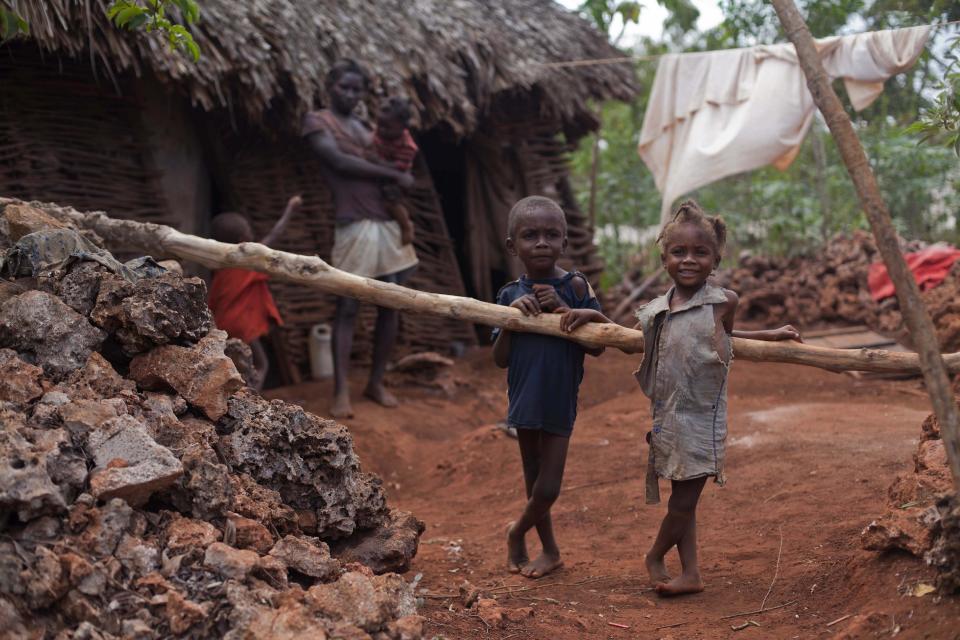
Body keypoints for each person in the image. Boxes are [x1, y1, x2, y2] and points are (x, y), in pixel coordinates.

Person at [634, 200, 801, 596]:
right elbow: (629, 341)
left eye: (700, 252)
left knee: (682, 503)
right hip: (667, 417)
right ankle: (691, 574)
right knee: (683, 501)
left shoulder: (725, 300)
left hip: (702, 420)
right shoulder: (658, 310)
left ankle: (655, 555)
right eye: (679, 252)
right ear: (664, 258)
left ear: (716, 258)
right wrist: (592, 318)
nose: (689, 259)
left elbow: (726, 339)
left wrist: (770, 334)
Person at [492, 195, 608, 579]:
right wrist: (513, 319)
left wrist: (563, 307)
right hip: (524, 397)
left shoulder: (575, 285)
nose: (541, 242)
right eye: (530, 235)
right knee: (532, 477)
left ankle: (516, 532)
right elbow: (501, 358)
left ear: (564, 241)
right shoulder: (509, 294)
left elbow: (598, 344)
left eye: (550, 234)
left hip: (559, 398)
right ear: (513, 246)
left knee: (549, 487)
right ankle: (551, 551)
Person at [302, 59, 418, 419]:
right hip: (352, 223)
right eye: (344, 87)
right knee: (348, 306)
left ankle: (376, 382)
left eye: (357, 89)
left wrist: (398, 176)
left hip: (387, 223)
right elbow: (338, 163)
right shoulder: (318, 122)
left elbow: (399, 162)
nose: (351, 95)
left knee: (391, 303)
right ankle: (340, 391)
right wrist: (393, 175)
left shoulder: (369, 127)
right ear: (329, 87)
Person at [208, 195, 302, 391]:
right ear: (244, 239)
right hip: (242, 325)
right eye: (249, 230)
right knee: (261, 364)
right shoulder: (249, 262)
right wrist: (290, 210)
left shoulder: (220, 266)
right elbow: (274, 235)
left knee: (233, 364)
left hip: (222, 324)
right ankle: (251, 398)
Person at [371, 96, 418, 247]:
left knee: (392, 202)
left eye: (387, 127)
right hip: (380, 169)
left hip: (395, 178)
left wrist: (378, 162)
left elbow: (400, 169)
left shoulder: (408, 146)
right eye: (380, 125)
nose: (382, 130)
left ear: (403, 127)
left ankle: (405, 225)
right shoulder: (377, 130)